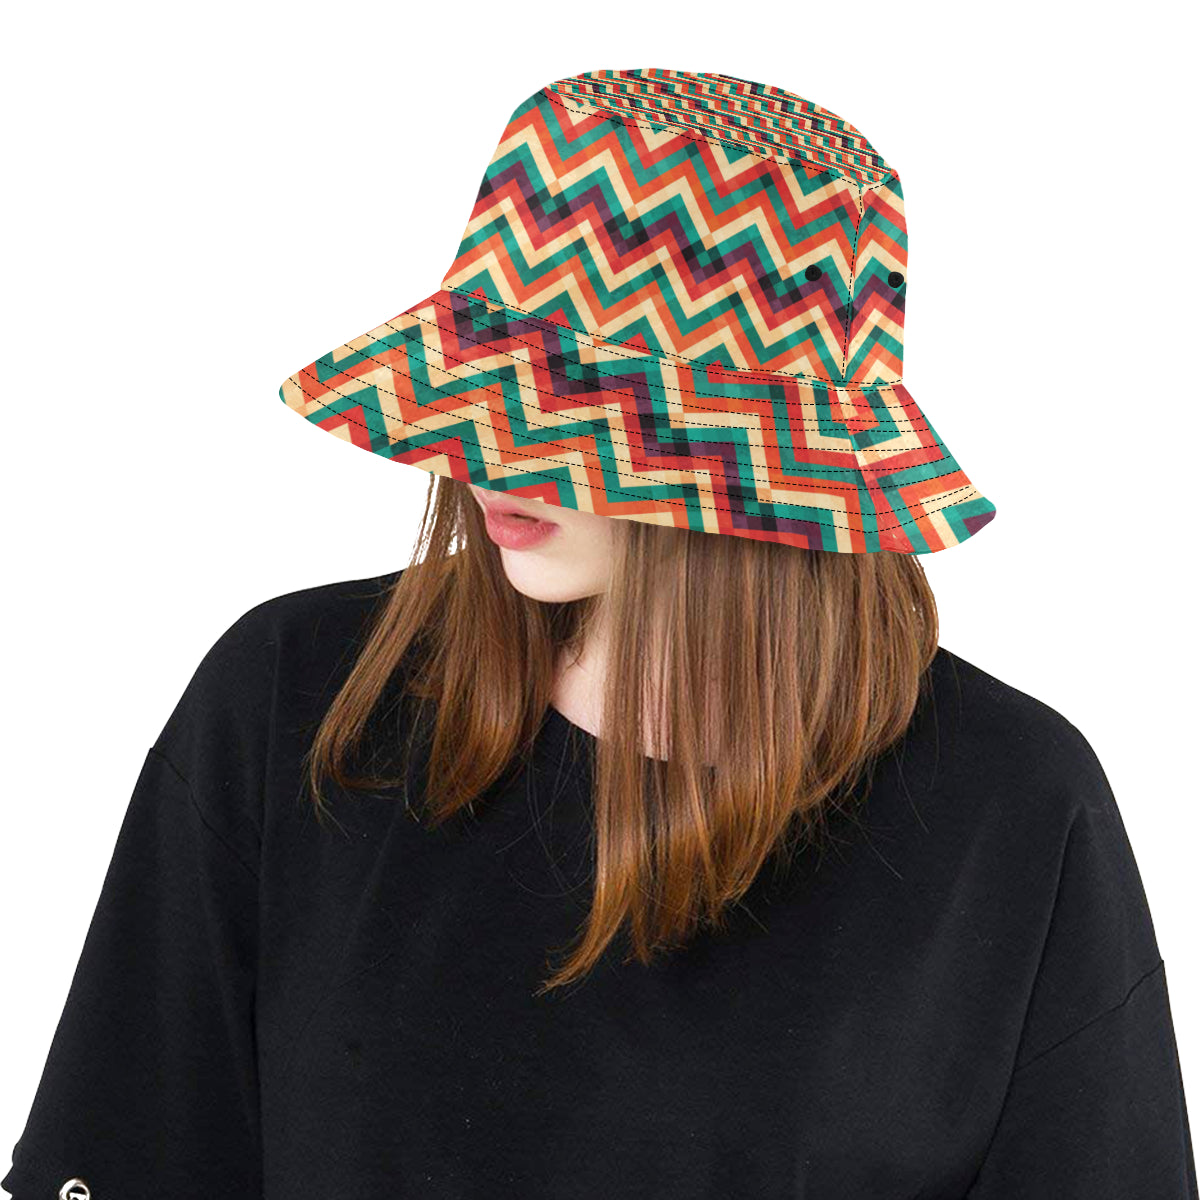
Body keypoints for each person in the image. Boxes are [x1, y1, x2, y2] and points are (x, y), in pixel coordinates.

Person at [5, 68, 1196, 1200]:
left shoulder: (1009, 809)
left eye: (567, 420)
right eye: (487, 388)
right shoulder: (302, 700)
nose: (490, 454)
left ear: (746, 469)